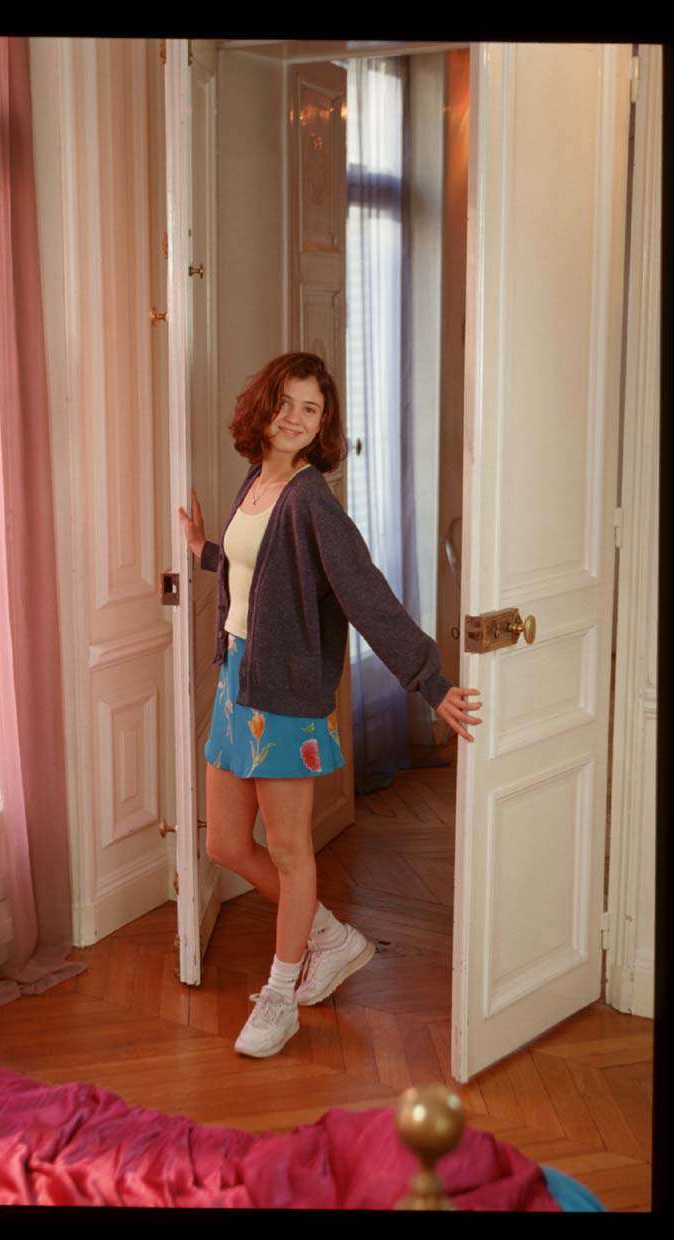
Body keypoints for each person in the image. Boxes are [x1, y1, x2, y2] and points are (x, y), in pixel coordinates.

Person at [177, 352, 483, 1059]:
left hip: (286, 698)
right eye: (286, 402)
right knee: (225, 843)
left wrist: (429, 682)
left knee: (290, 851)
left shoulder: (312, 500)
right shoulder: (258, 481)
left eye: (310, 409)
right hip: (238, 684)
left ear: (323, 427)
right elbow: (264, 575)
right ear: (264, 406)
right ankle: (329, 937)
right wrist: (203, 550)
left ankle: (281, 995)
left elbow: (364, 594)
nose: (294, 417)